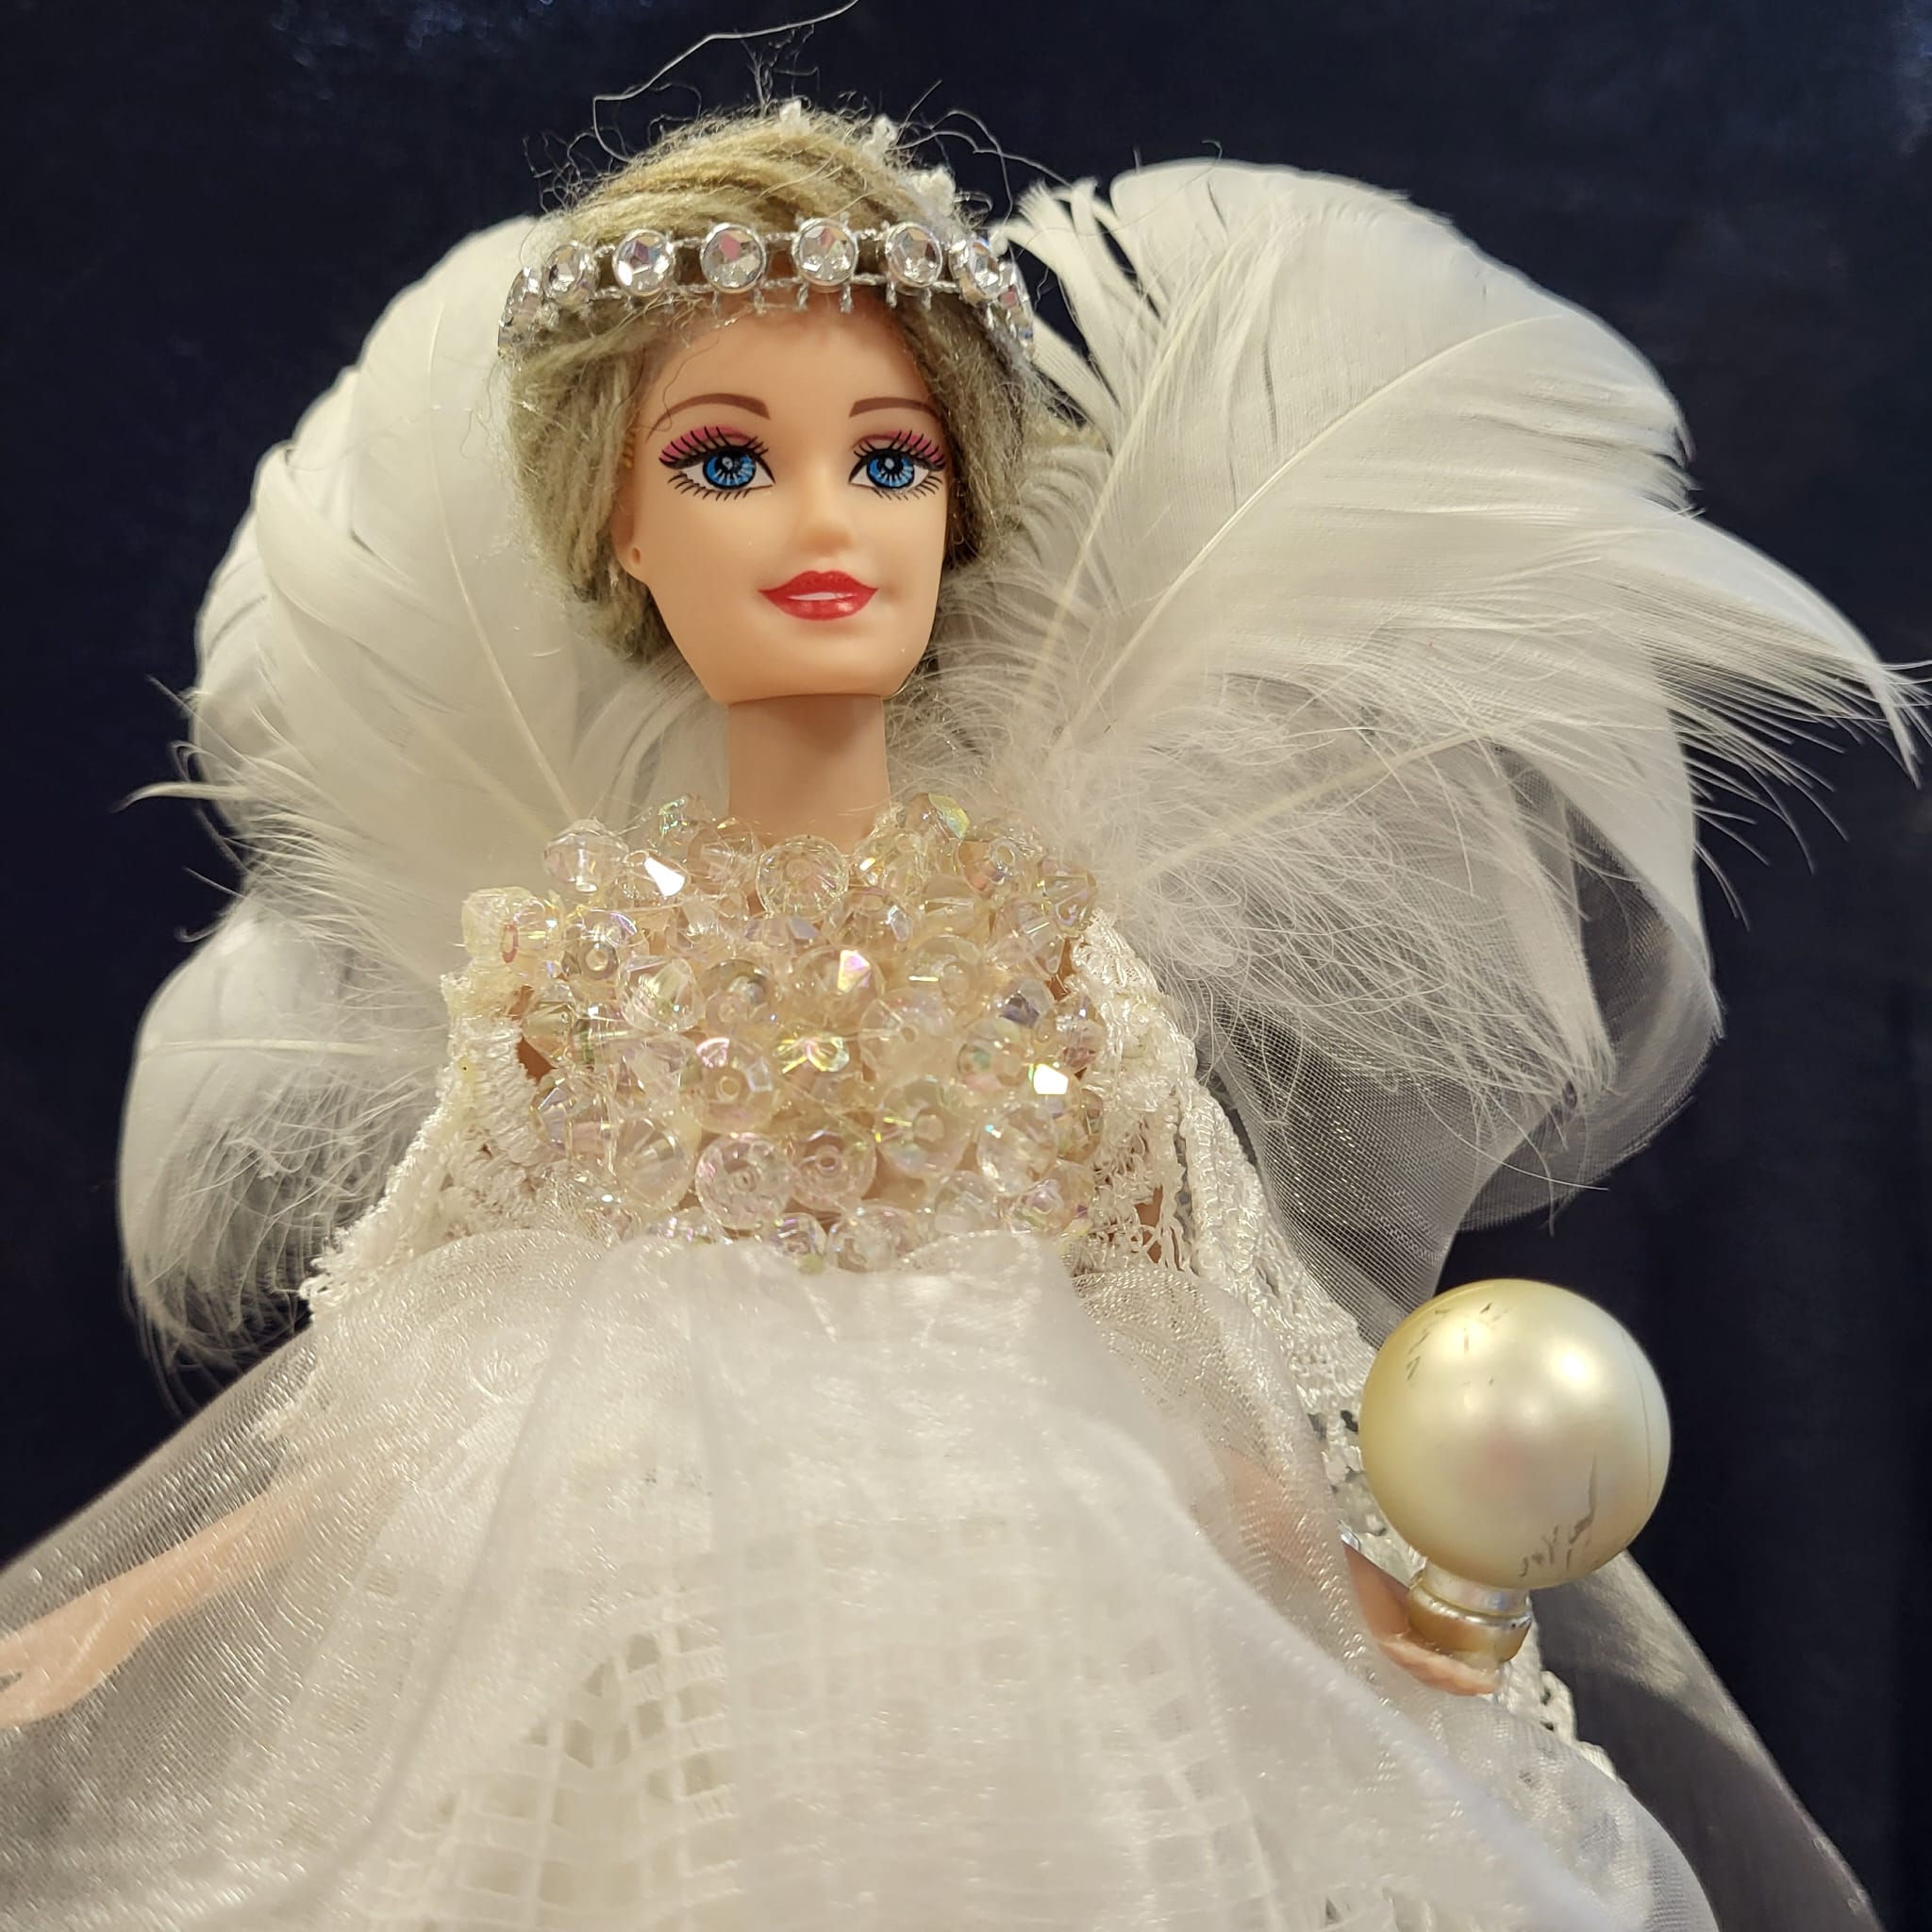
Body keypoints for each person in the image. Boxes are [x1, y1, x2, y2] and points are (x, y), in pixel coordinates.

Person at [0, 102, 1906, 1929]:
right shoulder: (571, 969)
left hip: (1029, 1646)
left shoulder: (1036, 954)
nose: (820, 520)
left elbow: (1194, 1358)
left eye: (888, 460)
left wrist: (1372, 1583)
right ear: (620, 533)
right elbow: (404, 1402)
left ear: (958, 507)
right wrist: (127, 1604)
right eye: (725, 461)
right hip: (629, 1659)